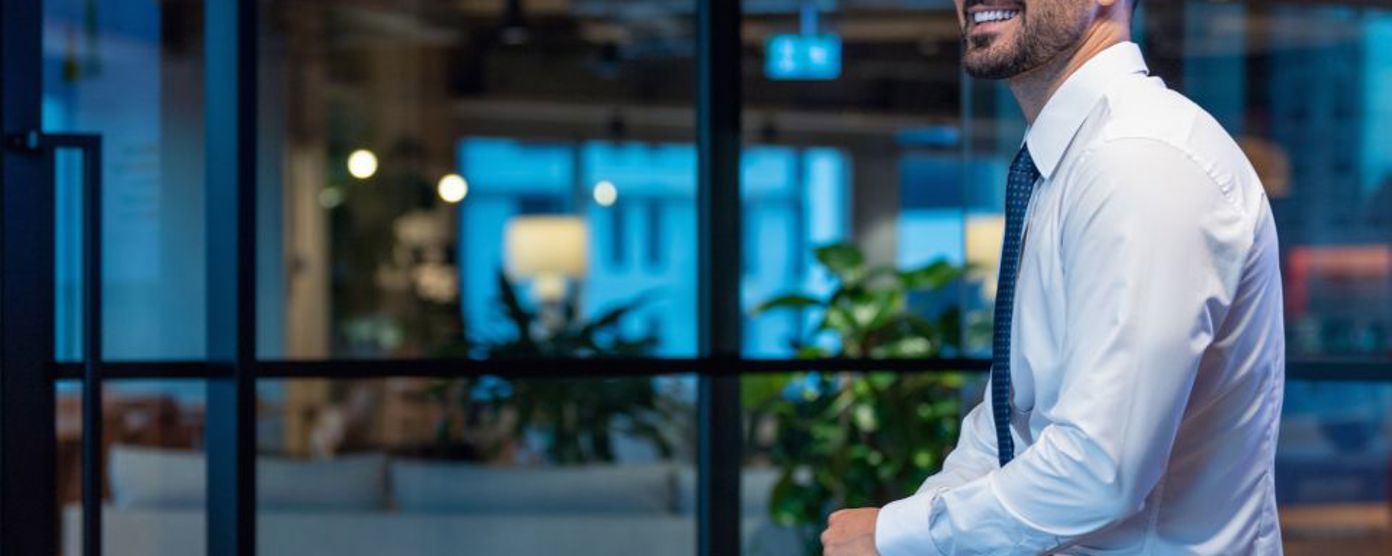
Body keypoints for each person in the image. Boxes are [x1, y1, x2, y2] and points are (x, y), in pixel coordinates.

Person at [820, 0, 1285, 554]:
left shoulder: (1139, 161)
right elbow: (1010, 425)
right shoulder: (1069, 159)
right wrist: (902, 529)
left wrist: (899, 537)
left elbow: (1099, 468)